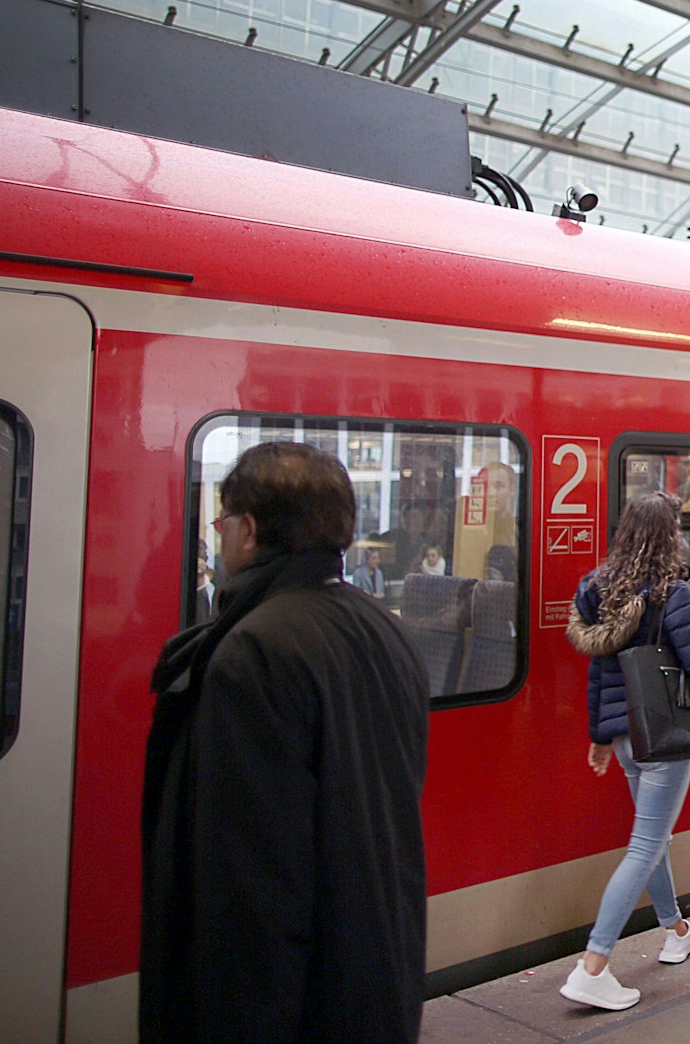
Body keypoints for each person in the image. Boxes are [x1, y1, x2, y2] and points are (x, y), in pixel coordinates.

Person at [142, 443, 428, 1042]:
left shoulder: (253, 651)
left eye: (222, 526)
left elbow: (253, 884)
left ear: (247, 530)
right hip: (375, 969)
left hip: (297, 1004)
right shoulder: (386, 630)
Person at [559, 493, 690, 1011]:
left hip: (627, 737)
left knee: (652, 839)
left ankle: (677, 930)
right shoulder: (669, 592)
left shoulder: (596, 587)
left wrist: (600, 736)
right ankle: (594, 965)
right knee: (644, 845)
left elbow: (599, 673)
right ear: (669, 533)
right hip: (664, 735)